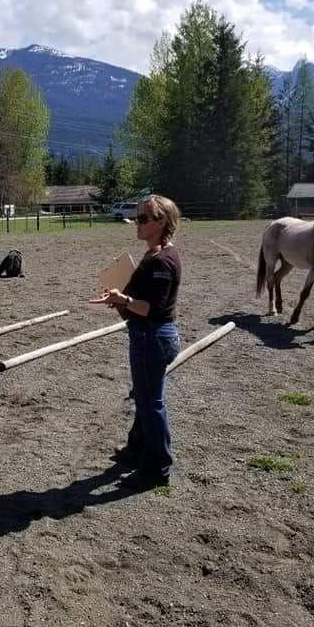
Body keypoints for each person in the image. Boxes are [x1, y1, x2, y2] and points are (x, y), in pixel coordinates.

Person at [90, 195, 182, 489]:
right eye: (137, 217)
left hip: (151, 336)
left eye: (144, 218)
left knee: (151, 402)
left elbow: (149, 308)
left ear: (161, 221)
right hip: (150, 334)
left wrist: (124, 299)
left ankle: (158, 468)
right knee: (143, 395)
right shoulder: (156, 253)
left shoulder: (162, 262)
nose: (137, 223)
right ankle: (137, 449)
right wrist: (119, 298)